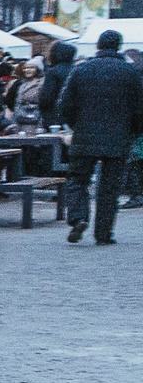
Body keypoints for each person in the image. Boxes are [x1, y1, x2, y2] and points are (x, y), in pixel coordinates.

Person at [59, 28, 143, 245]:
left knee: (78, 180)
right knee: (109, 187)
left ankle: (78, 216)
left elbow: (65, 104)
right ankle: (104, 233)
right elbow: (139, 107)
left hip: (85, 135)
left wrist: (75, 124)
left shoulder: (82, 70)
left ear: (98, 45)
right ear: (119, 46)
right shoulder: (130, 72)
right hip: (119, 137)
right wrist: (134, 131)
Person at [37, 38, 79, 127]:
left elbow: (47, 97)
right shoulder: (77, 70)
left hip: (54, 115)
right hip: (74, 114)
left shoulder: (53, 72)